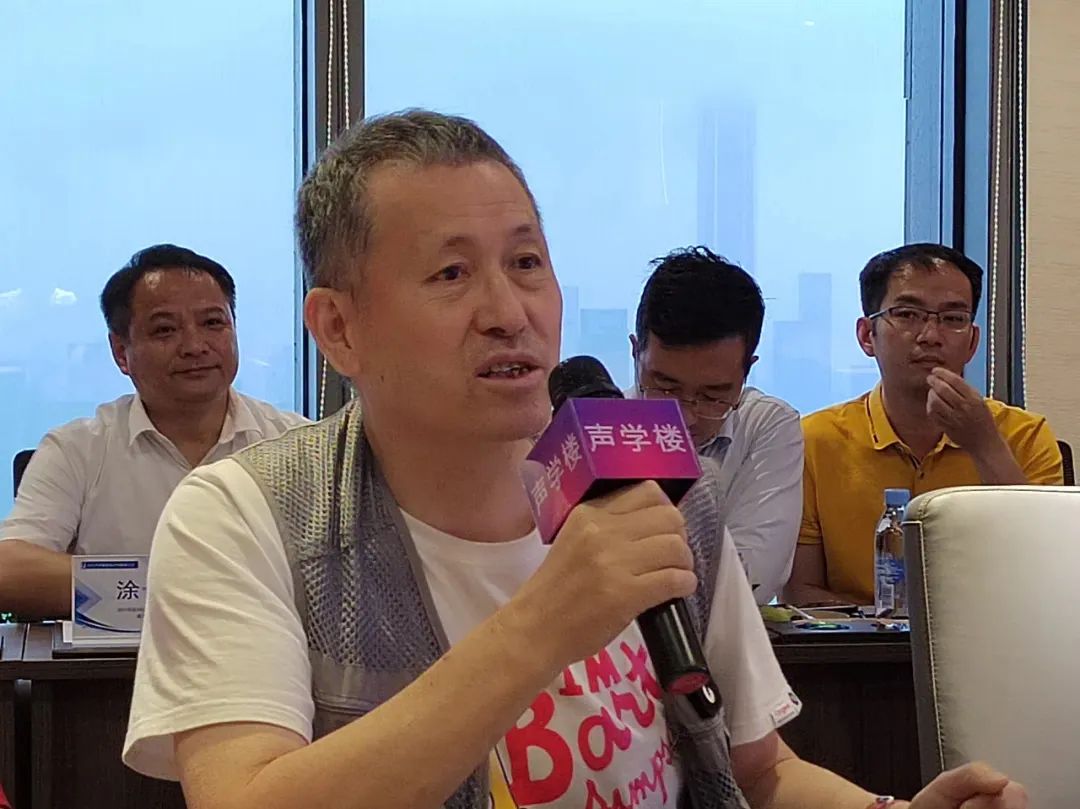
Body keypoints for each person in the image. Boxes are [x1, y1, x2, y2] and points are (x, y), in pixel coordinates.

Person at [123, 112, 1027, 809]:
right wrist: (547, 621)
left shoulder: (655, 487)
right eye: (450, 274)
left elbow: (760, 768)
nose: (508, 311)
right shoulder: (245, 514)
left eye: (526, 263)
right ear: (339, 328)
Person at [0, 244, 306, 618]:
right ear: (120, 352)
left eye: (213, 323)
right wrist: (183, 588)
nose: (195, 346)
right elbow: (10, 571)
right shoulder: (78, 449)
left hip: (267, 653)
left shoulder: (297, 443)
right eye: (165, 330)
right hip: (122, 657)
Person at [787, 243, 1063, 606]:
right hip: (860, 639)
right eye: (907, 314)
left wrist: (985, 446)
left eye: (953, 319)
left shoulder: (1025, 435)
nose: (931, 335)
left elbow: (1049, 575)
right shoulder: (814, 440)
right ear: (867, 336)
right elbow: (800, 592)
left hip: (989, 635)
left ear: (972, 342)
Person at [630, 247, 802, 604]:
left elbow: (752, 579)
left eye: (712, 395)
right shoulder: (595, 432)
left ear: (747, 370)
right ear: (635, 353)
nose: (685, 418)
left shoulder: (766, 425)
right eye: (666, 388)